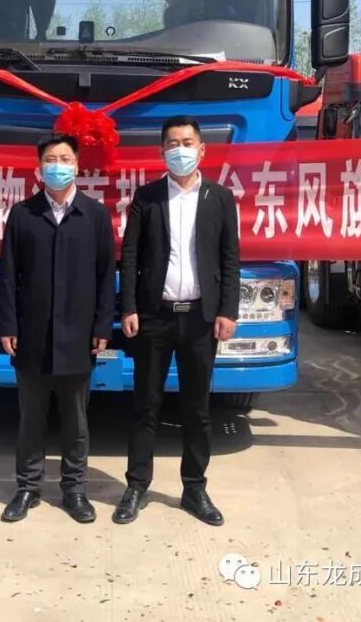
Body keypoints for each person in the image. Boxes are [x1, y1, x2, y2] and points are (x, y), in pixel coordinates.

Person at [114, 116, 239, 526]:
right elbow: (129, 255)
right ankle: (136, 486)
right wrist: (129, 308)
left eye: (187, 142)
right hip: (155, 317)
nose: (180, 149)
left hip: (201, 319)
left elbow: (230, 258)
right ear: (161, 151)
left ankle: (194, 488)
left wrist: (228, 311)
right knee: (144, 405)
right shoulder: (147, 197)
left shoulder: (220, 198)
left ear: (202, 149)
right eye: (172, 143)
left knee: (197, 409)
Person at [0, 133, 116, 523]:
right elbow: (8, 276)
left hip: (79, 335)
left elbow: (105, 276)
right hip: (31, 334)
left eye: (65, 159)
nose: (58, 166)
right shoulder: (23, 214)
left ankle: (74, 490)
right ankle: (27, 488)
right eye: (51, 159)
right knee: (31, 419)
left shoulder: (94, 215)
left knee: (75, 420)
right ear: (38, 168)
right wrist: (8, 325)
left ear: (77, 166)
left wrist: (103, 325)